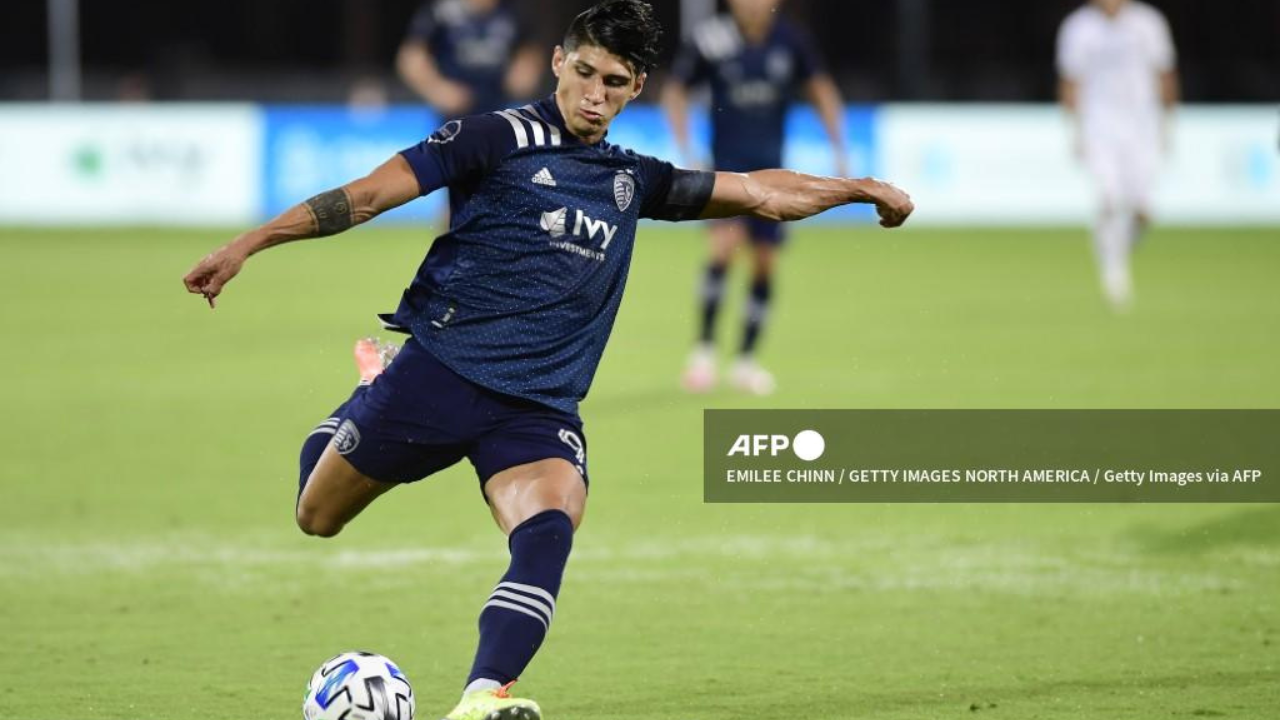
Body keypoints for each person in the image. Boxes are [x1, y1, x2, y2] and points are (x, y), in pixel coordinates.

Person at [182, 2, 912, 719]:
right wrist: (249, 244)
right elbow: (369, 195)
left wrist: (855, 189)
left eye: (615, 82)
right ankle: (367, 391)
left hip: (536, 408)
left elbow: (757, 191)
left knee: (550, 525)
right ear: (558, 63)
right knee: (317, 515)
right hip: (439, 374)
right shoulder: (491, 137)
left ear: (637, 89)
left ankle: (483, 696)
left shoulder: (634, 180)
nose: (595, 95)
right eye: (585, 72)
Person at [662, 0, 850, 394]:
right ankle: (704, 352)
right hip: (726, 173)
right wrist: (688, 151)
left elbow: (821, 89)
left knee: (765, 264)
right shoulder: (712, 39)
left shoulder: (791, 41)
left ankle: (746, 361)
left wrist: (839, 148)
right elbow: (675, 92)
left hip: (774, 178)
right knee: (722, 250)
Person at [1057, 0, 1178, 311]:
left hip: (1143, 127)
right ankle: (1114, 274)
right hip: (1100, 127)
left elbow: (1164, 73)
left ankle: (1117, 250)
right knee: (1109, 199)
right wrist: (1075, 130)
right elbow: (1071, 81)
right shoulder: (1078, 27)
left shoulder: (1149, 23)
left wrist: (1169, 124)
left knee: (1142, 209)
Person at [397, 0, 543, 118]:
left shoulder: (514, 9)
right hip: (455, 113)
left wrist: (524, 72)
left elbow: (530, 50)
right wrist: (438, 89)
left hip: (500, 108)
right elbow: (412, 57)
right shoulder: (440, 11)